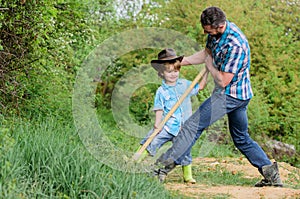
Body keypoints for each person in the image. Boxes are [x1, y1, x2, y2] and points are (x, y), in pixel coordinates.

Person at [152, 6, 283, 187]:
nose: (205, 33)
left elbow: (222, 80)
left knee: (191, 126)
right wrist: (178, 62)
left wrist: (210, 65)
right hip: (236, 94)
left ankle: (161, 169)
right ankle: (271, 174)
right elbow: (206, 53)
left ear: (219, 26)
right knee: (241, 138)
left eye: (208, 31)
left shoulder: (236, 45)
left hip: (231, 95)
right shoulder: (215, 34)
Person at [135, 48, 208, 183]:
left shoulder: (185, 84)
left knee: (185, 151)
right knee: (153, 141)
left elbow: (201, 86)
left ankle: (188, 176)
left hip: (183, 127)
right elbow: (159, 108)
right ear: (161, 73)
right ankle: (135, 160)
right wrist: (157, 123)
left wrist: (207, 70)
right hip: (167, 126)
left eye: (176, 71)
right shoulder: (161, 91)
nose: (173, 74)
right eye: (169, 72)